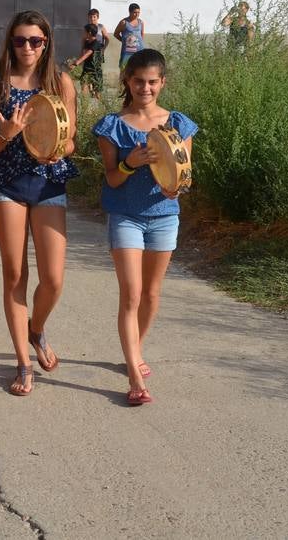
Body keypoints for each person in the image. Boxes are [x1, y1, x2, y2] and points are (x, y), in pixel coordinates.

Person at [0, 11, 78, 396]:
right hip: (7, 183)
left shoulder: (60, 82)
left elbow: (71, 139)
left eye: (36, 41)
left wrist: (57, 148)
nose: (28, 48)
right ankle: (22, 361)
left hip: (49, 182)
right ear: (10, 43)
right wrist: (8, 133)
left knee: (53, 279)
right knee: (15, 275)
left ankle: (36, 330)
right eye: (20, 40)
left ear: (46, 43)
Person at [91, 49, 197, 406]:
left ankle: (134, 349)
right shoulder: (112, 127)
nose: (145, 88)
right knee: (132, 295)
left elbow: (184, 177)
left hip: (165, 215)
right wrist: (130, 163)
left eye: (152, 82)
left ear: (162, 82)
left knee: (152, 295)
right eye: (139, 81)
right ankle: (135, 375)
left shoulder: (179, 124)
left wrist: (175, 187)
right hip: (126, 216)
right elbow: (110, 180)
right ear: (127, 81)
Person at [69, 9, 108, 100]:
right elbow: (84, 51)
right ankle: (85, 101)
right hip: (87, 65)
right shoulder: (87, 40)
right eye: (90, 16)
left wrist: (76, 63)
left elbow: (88, 54)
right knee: (84, 83)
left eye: (94, 16)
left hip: (95, 65)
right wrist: (80, 56)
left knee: (97, 89)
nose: (92, 18)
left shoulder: (97, 38)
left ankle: (99, 103)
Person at [113, 3, 145, 69]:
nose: (137, 14)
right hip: (128, 51)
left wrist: (139, 45)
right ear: (129, 11)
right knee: (125, 68)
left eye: (138, 12)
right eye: (135, 12)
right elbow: (116, 34)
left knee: (139, 69)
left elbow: (142, 34)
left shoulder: (141, 22)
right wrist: (124, 41)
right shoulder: (124, 22)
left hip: (139, 50)